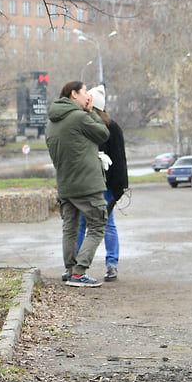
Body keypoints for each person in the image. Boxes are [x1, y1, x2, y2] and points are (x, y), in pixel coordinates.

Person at [45, 81, 109, 288]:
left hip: (65, 184)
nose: (87, 97)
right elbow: (103, 134)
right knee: (98, 225)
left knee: (70, 228)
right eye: (84, 92)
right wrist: (91, 112)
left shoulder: (52, 121)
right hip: (86, 184)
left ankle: (70, 269)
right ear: (73, 94)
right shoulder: (80, 117)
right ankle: (80, 272)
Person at [76, 85, 127, 281]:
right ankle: (111, 264)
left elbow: (118, 160)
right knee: (107, 224)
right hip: (105, 186)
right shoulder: (111, 126)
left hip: (90, 185)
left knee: (83, 224)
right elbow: (120, 161)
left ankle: (77, 266)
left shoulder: (89, 126)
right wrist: (119, 188)